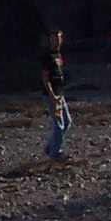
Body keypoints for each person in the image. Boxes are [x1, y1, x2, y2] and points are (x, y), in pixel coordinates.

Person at [40, 31, 70, 159]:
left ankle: (50, 147)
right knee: (59, 124)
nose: (56, 41)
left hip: (60, 93)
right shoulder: (47, 56)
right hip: (52, 95)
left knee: (67, 122)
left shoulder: (58, 55)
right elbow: (45, 77)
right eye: (54, 39)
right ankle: (55, 153)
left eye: (58, 39)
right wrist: (52, 95)